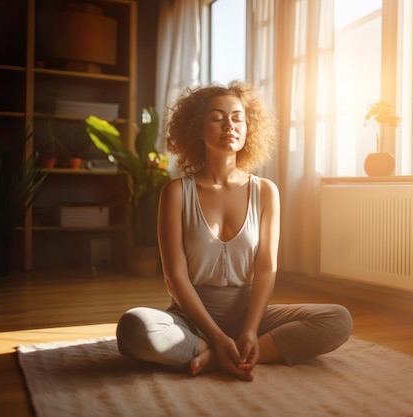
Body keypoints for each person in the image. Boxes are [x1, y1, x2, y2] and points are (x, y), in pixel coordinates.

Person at [116, 80, 353, 381]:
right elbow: (174, 276)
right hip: (190, 318)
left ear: (248, 127)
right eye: (216, 117)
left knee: (338, 319)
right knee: (134, 327)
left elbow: (266, 268)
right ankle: (220, 349)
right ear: (197, 128)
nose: (229, 124)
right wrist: (215, 335)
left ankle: (216, 358)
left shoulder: (266, 192)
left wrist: (251, 330)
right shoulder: (176, 192)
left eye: (237, 117)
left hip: (249, 313)